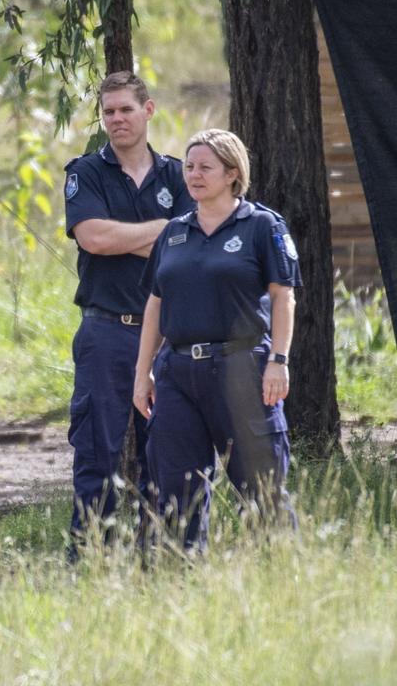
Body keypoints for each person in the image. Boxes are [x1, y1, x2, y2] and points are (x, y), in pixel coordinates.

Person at [132, 128, 299, 552]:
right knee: (175, 488)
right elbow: (155, 304)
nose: (194, 175)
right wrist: (143, 373)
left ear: (232, 173)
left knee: (262, 485)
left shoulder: (262, 225)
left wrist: (279, 359)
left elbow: (283, 297)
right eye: (189, 167)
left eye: (206, 167)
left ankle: (280, 574)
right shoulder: (172, 232)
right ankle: (183, 578)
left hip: (242, 367)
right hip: (178, 373)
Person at [63, 71, 195, 551]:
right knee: (97, 452)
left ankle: (158, 556)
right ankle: (90, 557)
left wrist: (136, 238)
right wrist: (162, 231)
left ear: (149, 110)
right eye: (109, 111)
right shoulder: (86, 173)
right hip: (107, 333)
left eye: (125, 109)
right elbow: (94, 238)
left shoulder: (180, 175)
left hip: (166, 338)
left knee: (167, 451)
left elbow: (191, 245)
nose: (116, 119)